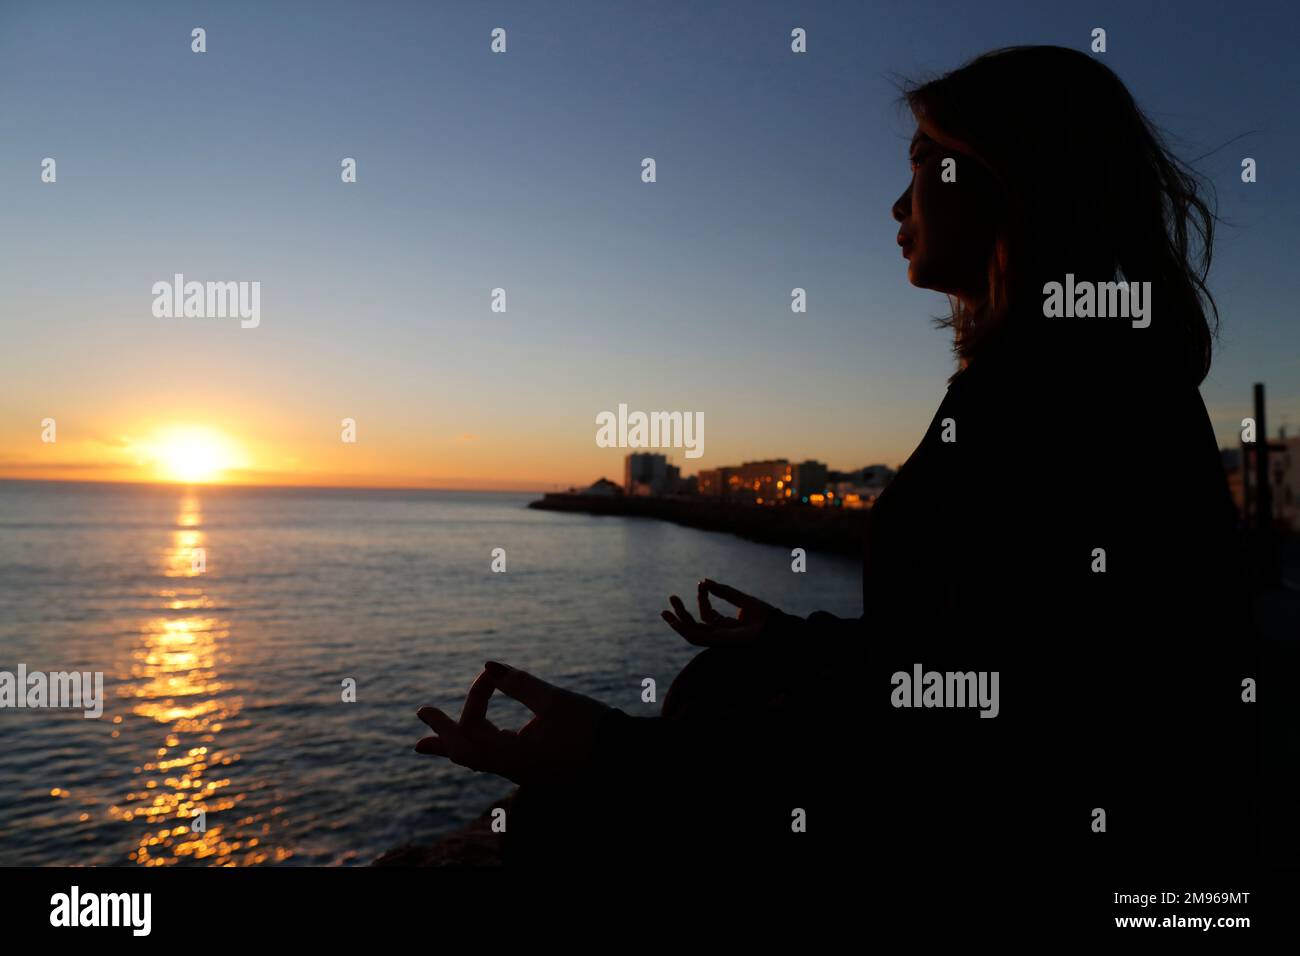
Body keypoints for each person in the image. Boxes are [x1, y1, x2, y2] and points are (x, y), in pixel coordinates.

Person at [414, 45, 1260, 871]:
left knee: (575, 811)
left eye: (926, 160)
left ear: (1015, 174)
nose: (897, 204)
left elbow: (960, 737)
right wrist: (786, 639)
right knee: (716, 685)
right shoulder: (1087, 369)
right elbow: (966, 659)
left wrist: (606, 748)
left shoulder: (1055, 391)